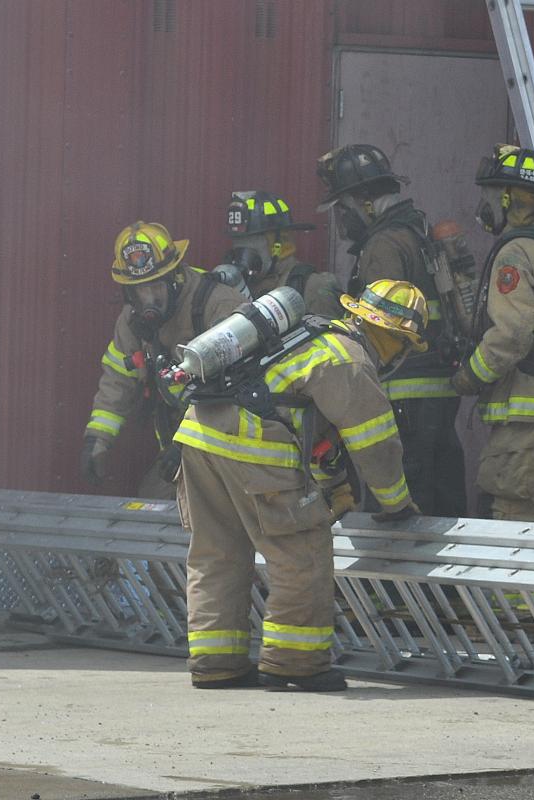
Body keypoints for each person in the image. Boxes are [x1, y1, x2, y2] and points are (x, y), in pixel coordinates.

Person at [174, 278, 425, 691]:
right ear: (395, 337)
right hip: (251, 449)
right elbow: (376, 446)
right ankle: (295, 663)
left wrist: (334, 485)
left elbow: (307, 430)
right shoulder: (350, 359)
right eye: (405, 345)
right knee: (301, 554)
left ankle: (216, 662)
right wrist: (396, 503)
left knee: (216, 554)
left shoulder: (310, 335)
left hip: (198, 437)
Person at [315, 144, 466, 517]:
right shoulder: (415, 231)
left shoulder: (383, 245)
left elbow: (381, 328)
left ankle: (403, 576)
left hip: (404, 391)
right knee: (441, 488)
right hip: (437, 388)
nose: (342, 220)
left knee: (410, 492)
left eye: (343, 208)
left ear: (364, 202)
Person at [450, 144, 534, 522]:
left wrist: (469, 375)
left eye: (490, 195)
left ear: (507, 198)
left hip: (525, 410)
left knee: (514, 513)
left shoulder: (515, 252)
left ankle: (517, 587)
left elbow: (512, 334)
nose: (484, 205)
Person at [81, 221, 243, 499]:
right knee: (152, 504)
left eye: (156, 287)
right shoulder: (132, 320)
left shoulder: (218, 306)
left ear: (176, 276)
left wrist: (187, 444)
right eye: (139, 291)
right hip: (177, 447)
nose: (149, 301)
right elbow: (118, 379)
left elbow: (238, 390)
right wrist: (97, 439)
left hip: (236, 446)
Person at [220, 190, 343, 316]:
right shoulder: (236, 287)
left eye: (252, 242)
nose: (241, 253)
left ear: (281, 242)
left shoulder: (312, 288)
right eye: (237, 242)